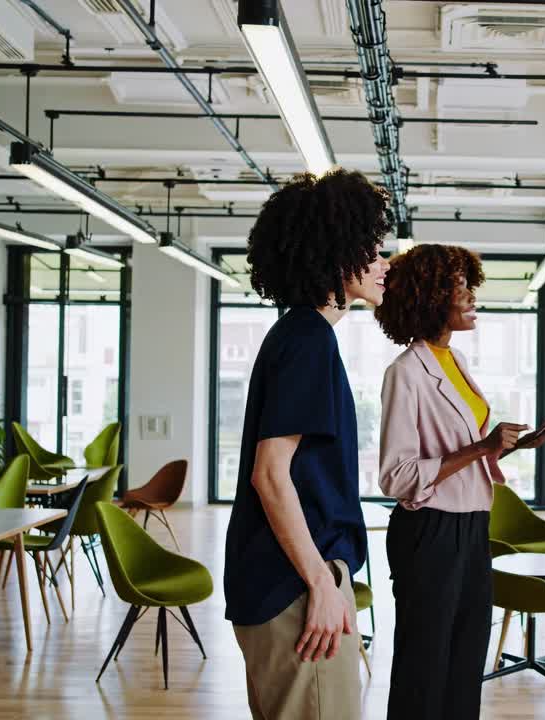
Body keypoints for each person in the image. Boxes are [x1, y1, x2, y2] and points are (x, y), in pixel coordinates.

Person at [223, 170, 391, 720]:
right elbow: (270, 474)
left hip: (294, 578)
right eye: (372, 249)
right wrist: (321, 581)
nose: (383, 262)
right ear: (337, 253)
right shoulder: (307, 342)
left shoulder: (301, 336)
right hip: (294, 585)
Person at [373, 244, 545, 720]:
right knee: (424, 664)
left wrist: (502, 446)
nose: (472, 297)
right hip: (429, 531)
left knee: (467, 656)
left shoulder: (456, 362)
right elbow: (397, 476)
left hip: (471, 525)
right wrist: (478, 448)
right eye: (459, 287)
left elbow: (463, 449)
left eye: (470, 285)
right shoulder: (405, 372)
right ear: (430, 297)